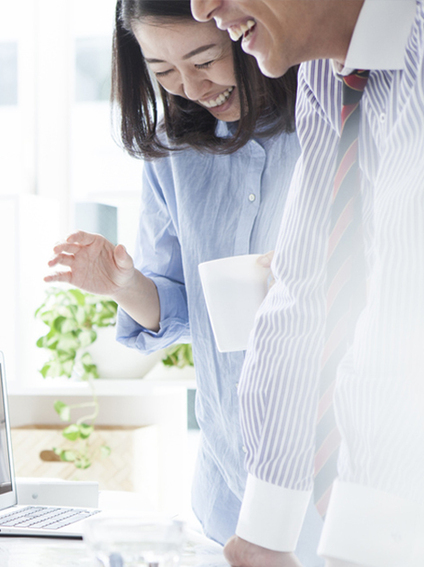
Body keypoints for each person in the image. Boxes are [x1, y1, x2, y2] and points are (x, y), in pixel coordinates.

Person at [44, 1, 323, 563]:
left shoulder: (331, 123)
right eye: (164, 72)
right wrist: (125, 284)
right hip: (230, 485)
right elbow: (179, 305)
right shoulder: (175, 151)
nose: (192, 88)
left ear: (244, 26)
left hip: (334, 476)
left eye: (205, 60)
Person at [188, 0, 424, 566]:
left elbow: (402, 307)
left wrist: (358, 545)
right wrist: (262, 536)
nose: (201, 7)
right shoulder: (326, 73)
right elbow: (302, 287)